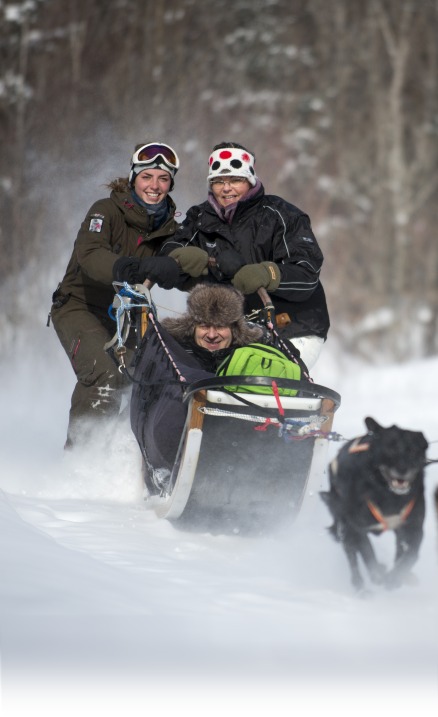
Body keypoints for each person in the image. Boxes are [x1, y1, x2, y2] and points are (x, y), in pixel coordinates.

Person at [49, 141, 185, 448]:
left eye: (163, 179)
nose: (155, 185)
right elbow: (91, 255)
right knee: (106, 376)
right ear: (134, 177)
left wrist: (181, 268)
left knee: (144, 382)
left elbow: (184, 261)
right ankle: (81, 458)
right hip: (80, 307)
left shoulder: (170, 227)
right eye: (148, 176)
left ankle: (132, 460)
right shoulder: (105, 210)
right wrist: (132, 268)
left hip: (130, 316)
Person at [159, 141, 330, 370]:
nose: (226, 188)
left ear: (249, 180)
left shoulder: (281, 215)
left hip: (292, 326)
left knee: (250, 374)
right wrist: (182, 256)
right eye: (218, 181)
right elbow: (170, 250)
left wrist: (266, 273)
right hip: (226, 331)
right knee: (172, 363)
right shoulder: (200, 217)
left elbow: (307, 272)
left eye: (235, 180)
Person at [161, 282, 265, 373]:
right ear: (192, 327)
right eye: (204, 326)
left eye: (220, 326)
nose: (212, 335)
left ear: (235, 330)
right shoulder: (172, 358)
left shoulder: (251, 362)